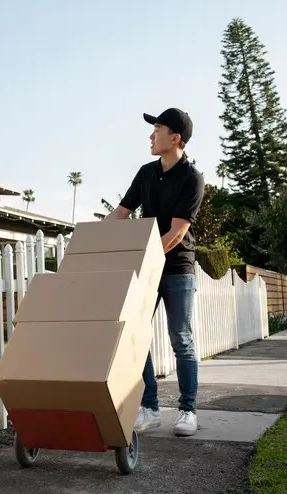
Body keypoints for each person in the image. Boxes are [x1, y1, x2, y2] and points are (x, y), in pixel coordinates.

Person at [103, 108, 204, 436]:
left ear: (175, 138)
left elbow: (176, 233)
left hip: (176, 268)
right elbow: (120, 213)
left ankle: (188, 410)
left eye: (157, 130)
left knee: (181, 338)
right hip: (147, 268)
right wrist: (89, 240)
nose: (150, 135)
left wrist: (145, 260)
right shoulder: (146, 173)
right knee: (136, 333)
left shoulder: (192, 178)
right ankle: (149, 407)